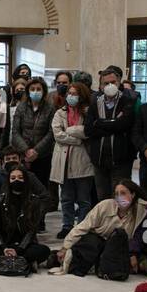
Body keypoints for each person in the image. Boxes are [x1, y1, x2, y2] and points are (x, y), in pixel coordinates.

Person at [50, 179, 147, 276]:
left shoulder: (141, 211)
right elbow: (83, 227)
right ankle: (59, 257)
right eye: (117, 194)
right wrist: (65, 247)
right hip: (95, 243)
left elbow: (144, 237)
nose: (119, 197)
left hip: (116, 248)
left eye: (123, 193)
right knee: (92, 242)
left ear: (133, 195)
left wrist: (133, 254)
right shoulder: (104, 205)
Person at [0, 165, 52, 269]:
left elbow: (31, 231)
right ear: (8, 181)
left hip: (24, 245)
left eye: (20, 178)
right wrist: (4, 247)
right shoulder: (0, 200)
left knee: (44, 250)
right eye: (13, 178)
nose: (17, 180)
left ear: (26, 180)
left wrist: (19, 249)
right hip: (4, 244)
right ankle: (22, 262)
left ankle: (5, 261)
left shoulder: (34, 201)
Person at [86, 66, 139, 203]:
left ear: (119, 83)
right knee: (102, 198)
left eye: (113, 82)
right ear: (101, 85)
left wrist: (100, 123)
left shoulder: (128, 100)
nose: (110, 85)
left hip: (121, 159)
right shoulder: (94, 101)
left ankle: (121, 224)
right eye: (106, 83)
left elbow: (125, 125)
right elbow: (89, 129)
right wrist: (114, 123)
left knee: (121, 197)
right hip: (99, 158)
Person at [50, 80, 96, 238]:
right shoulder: (59, 112)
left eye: (75, 94)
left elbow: (88, 131)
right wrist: (76, 139)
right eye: (69, 93)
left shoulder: (89, 112)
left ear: (82, 95)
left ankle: (82, 227)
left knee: (84, 199)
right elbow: (58, 135)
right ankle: (67, 225)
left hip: (82, 160)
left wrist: (70, 130)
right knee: (66, 198)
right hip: (64, 160)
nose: (71, 96)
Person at [9, 76, 56, 212]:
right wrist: (26, 150)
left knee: (41, 189)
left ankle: (39, 220)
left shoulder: (50, 108)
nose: (35, 91)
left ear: (44, 91)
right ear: (28, 91)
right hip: (24, 155)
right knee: (24, 188)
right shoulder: (21, 107)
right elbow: (15, 131)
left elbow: (51, 132)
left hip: (43, 155)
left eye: (38, 89)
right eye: (32, 89)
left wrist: (36, 151)